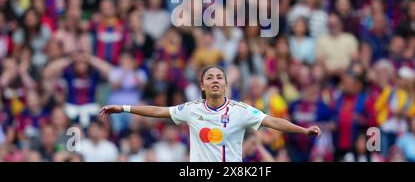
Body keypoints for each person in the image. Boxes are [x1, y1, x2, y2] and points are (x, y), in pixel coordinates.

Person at [100, 65, 321, 162]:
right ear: (202, 86)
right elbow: (159, 110)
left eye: (219, 78)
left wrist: (303, 130)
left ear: (225, 85)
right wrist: (123, 108)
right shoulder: (191, 109)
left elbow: (271, 121)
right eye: (210, 78)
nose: (214, 81)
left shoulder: (240, 110)